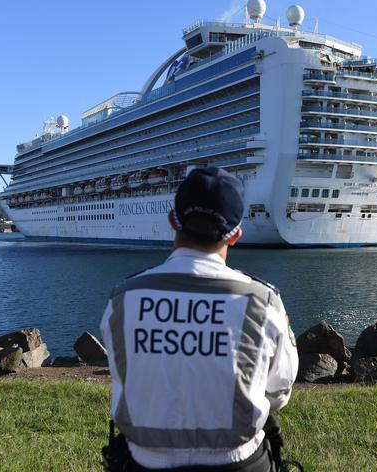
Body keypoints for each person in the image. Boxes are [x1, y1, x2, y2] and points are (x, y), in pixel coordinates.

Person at [100, 167, 299, 471]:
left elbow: (125, 376)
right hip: (239, 463)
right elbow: (279, 391)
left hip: (144, 463)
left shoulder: (123, 298)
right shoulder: (263, 302)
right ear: (235, 236)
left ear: (171, 222)